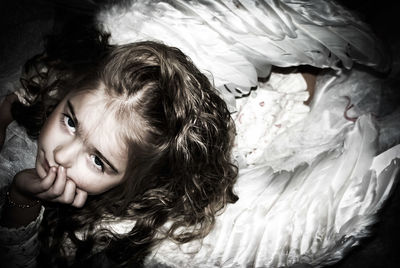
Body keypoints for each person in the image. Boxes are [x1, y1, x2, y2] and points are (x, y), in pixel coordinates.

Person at [0, 28, 238, 267]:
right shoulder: (64, 90)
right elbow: (21, 97)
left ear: (135, 183)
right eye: (71, 122)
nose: (61, 155)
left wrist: (23, 197)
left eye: (97, 161)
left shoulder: (98, 236)